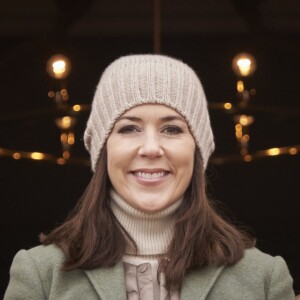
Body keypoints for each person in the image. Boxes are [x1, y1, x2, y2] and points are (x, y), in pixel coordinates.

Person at [4, 54, 295, 299]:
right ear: (103, 151)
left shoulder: (264, 278)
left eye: (172, 129)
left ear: (197, 151)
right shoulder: (40, 274)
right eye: (129, 128)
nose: (152, 148)